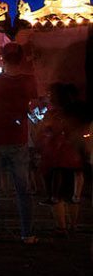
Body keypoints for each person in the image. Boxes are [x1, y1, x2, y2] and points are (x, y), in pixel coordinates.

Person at [0, 42, 38, 244]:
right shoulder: (29, 81)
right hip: (19, 140)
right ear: (21, 59)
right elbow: (34, 107)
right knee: (23, 190)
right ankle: (27, 233)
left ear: (2, 59)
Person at [36, 83, 88, 236]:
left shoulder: (53, 115)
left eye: (49, 94)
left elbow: (43, 132)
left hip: (56, 159)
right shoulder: (77, 113)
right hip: (73, 159)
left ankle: (61, 227)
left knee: (57, 195)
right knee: (72, 195)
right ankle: (73, 225)